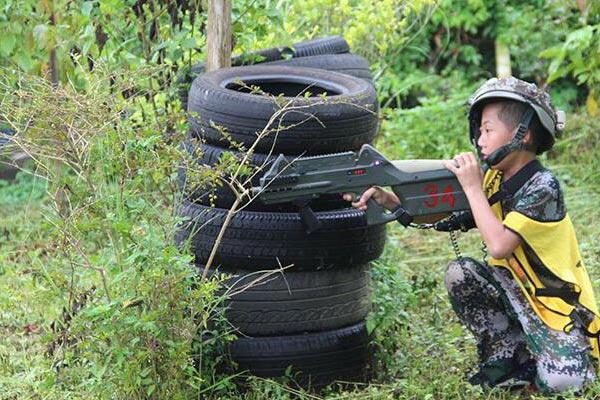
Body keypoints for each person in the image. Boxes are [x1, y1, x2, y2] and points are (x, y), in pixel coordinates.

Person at [343, 77, 600, 393]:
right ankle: (508, 356)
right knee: (461, 273)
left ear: (524, 134)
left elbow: (499, 245)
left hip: (557, 310)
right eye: (479, 129)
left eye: (488, 130)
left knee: (564, 383)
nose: (480, 138)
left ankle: (560, 355)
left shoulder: (542, 187)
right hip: (516, 294)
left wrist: (472, 186)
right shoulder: (494, 179)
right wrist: (389, 200)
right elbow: (452, 215)